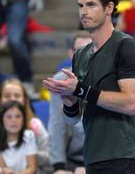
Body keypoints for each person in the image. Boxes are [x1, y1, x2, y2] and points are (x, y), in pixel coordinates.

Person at [43, 0, 135, 173]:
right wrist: (69, 101)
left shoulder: (127, 47)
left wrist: (81, 90)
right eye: (80, 6)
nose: (83, 12)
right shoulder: (80, 55)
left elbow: (130, 103)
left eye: (91, 5)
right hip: (93, 159)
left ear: (109, 8)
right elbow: (72, 120)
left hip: (126, 157)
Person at [48, 31, 92, 174]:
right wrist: (59, 167)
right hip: (71, 158)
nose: (85, 55)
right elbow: (57, 126)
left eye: (90, 50)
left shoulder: (106, 77)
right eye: (80, 51)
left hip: (102, 157)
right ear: (71, 54)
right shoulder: (61, 80)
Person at [0, 78, 51, 174]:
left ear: (25, 100)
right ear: (0, 100)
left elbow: (50, 159)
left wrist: (31, 153)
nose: (12, 99)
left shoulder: (35, 126)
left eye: (17, 96)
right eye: (7, 96)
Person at [0, 100, 37, 174]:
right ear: (1, 120)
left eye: (18, 116)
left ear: (23, 119)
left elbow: (32, 169)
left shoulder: (29, 136)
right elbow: (3, 169)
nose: (14, 120)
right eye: (9, 117)